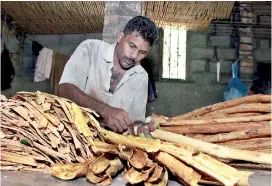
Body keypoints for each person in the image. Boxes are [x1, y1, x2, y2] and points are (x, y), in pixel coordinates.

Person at [58, 16, 158, 133]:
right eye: (132, 46)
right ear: (121, 37)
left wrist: (144, 128)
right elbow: (64, 89)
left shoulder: (141, 76)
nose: (134, 56)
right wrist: (105, 110)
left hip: (109, 145)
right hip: (73, 134)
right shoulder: (91, 49)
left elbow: (135, 123)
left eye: (142, 52)